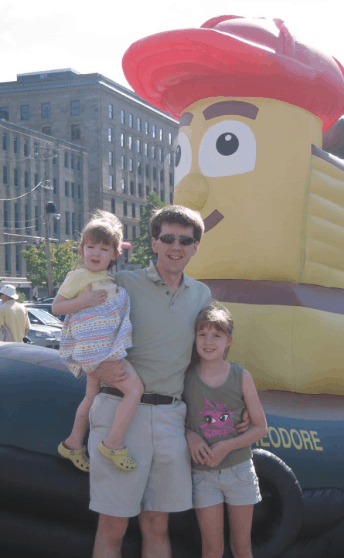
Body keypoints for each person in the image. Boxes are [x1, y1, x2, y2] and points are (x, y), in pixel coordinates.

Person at [88, 205, 213, 558]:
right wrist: (96, 367)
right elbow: (84, 335)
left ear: (195, 247)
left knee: (157, 523)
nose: (177, 246)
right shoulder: (122, 284)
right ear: (154, 242)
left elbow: (200, 363)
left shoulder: (202, 295)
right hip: (120, 414)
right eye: (168, 238)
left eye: (185, 240)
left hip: (171, 418)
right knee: (112, 525)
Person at [53, 210, 143, 474]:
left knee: (90, 398)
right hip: (98, 353)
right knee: (134, 390)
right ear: (82, 249)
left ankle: (72, 443)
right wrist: (85, 302)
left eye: (103, 249)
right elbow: (58, 307)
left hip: (102, 348)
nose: (94, 253)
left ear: (115, 254)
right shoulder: (77, 277)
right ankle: (113, 442)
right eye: (90, 247)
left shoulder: (109, 279)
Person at [185, 302, 267, 558]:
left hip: (239, 471)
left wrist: (227, 446)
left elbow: (260, 427)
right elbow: (178, 419)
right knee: (211, 548)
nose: (208, 342)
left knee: (241, 547)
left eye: (216, 336)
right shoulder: (186, 378)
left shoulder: (241, 376)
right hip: (203, 475)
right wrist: (191, 436)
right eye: (202, 335)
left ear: (228, 340)